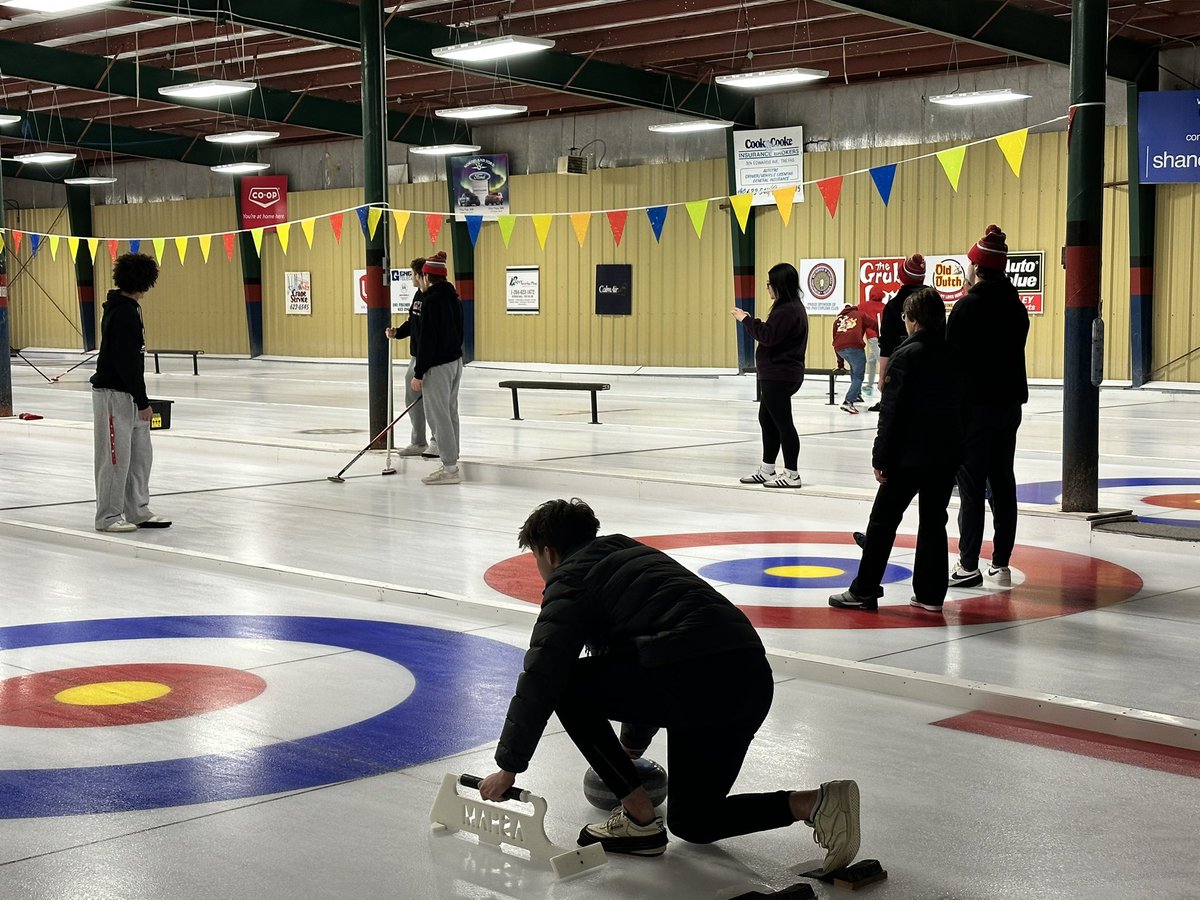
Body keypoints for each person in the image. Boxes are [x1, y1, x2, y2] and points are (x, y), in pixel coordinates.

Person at [477, 499, 862, 872]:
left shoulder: (571, 578)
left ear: (547, 553)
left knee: (567, 685)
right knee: (694, 820)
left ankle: (638, 818)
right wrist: (631, 747)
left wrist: (508, 768)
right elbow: (646, 651)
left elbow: (543, 676)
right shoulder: (630, 554)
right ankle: (815, 803)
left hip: (694, 678)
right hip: (747, 679)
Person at [829, 287, 964, 612]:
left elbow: (891, 413)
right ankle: (930, 594)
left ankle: (864, 589)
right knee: (934, 522)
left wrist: (881, 457)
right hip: (944, 455)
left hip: (908, 456)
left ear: (913, 321)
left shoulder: (905, 356)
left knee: (882, 522)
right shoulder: (955, 355)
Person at [946, 225, 1030, 588]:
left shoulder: (967, 307)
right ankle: (1001, 564)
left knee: (971, 487)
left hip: (975, 409)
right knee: (1003, 482)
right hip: (1009, 406)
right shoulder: (1016, 308)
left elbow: (951, 362)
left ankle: (968, 565)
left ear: (977, 267)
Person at [89, 252, 171, 533]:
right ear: (145, 282)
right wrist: (142, 401)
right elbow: (125, 362)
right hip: (113, 395)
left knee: (140, 456)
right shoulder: (122, 312)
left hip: (130, 394)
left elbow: (134, 363)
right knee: (115, 458)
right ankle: (108, 516)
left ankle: (137, 510)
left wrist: (139, 399)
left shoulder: (130, 308)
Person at [731, 263, 809, 489]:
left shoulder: (787, 310)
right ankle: (767, 469)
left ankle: (792, 474)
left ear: (779, 285)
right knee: (767, 419)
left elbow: (768, 336)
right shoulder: (789, 307)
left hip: (779, 375)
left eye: (769, 284)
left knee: (784, 424)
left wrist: (746, 320)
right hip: (778, 374)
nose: (768, 288)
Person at [408, 250, 464, 485]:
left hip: (438, 366)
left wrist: (419, 372)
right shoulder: (454, 298)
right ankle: (452, 457)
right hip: (455, 362)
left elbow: (427, 340)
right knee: (450, 413)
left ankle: (450, 468)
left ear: (426, 276)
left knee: (439, 416)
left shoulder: (431, 301)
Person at [384, 257, 436, 459]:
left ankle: (437, 441)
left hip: (430, 359)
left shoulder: (432, 298)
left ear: (421, 275)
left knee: (433, 402)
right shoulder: (418, 295)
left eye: (413, 274)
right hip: (416, 356)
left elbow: (429, 335)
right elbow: (413, 323)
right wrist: (398, 332)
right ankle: (418, 441)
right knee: (412, 400)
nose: (411, 278)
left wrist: (420, 371)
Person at [867, 254, 925, 413]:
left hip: (901, 370)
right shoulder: (934, 301)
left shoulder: (894, 306)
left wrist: (882, 377)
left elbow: (887, 345)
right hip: (933, 369)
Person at [832, 296, 875, 414]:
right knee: (858, 376)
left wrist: (840, 364)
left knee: (854, 369)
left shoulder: (837, 320)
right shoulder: (859, 314)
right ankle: (848, 401)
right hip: (855, 346)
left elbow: (835, 341)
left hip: (840, 348)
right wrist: (880, 335)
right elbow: (874, 324)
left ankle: (857, 395)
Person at [860, 284, 886, 400]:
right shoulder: (885, 306)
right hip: (883, 335)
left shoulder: (863, 306)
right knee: (872, 361)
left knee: (882, 360)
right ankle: (869, 385)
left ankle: (886, 382)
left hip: (872, 336)